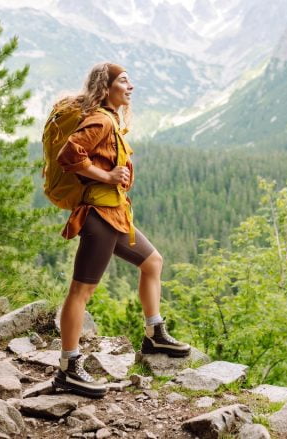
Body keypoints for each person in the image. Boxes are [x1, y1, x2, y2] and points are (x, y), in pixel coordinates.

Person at [53, 62, 190, 398]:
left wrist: (115, 173)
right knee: (80, 292)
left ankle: (154, 335)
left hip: (115, 216)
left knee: (152, 262)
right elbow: (68, 154)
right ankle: (69, 368)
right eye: (124, 82)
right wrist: (108, 177)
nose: (131, 88)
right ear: (106, 87)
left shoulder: (110, 119)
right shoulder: (100, 118)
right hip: (100, 218)